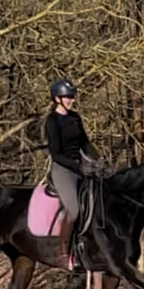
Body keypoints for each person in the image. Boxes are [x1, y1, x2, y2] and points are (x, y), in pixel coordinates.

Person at [44, 78, 109, 269]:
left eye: (72, 96)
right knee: (74, 209)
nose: (72, 100)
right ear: (57, 99)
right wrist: (78, 167)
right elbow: (55, 154)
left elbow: (85, 144)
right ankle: (63, 253)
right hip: (63, 170)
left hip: (81, 167)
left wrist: (99, 161)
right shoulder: (52, 121)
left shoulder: (75, 117)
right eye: (68, 97)